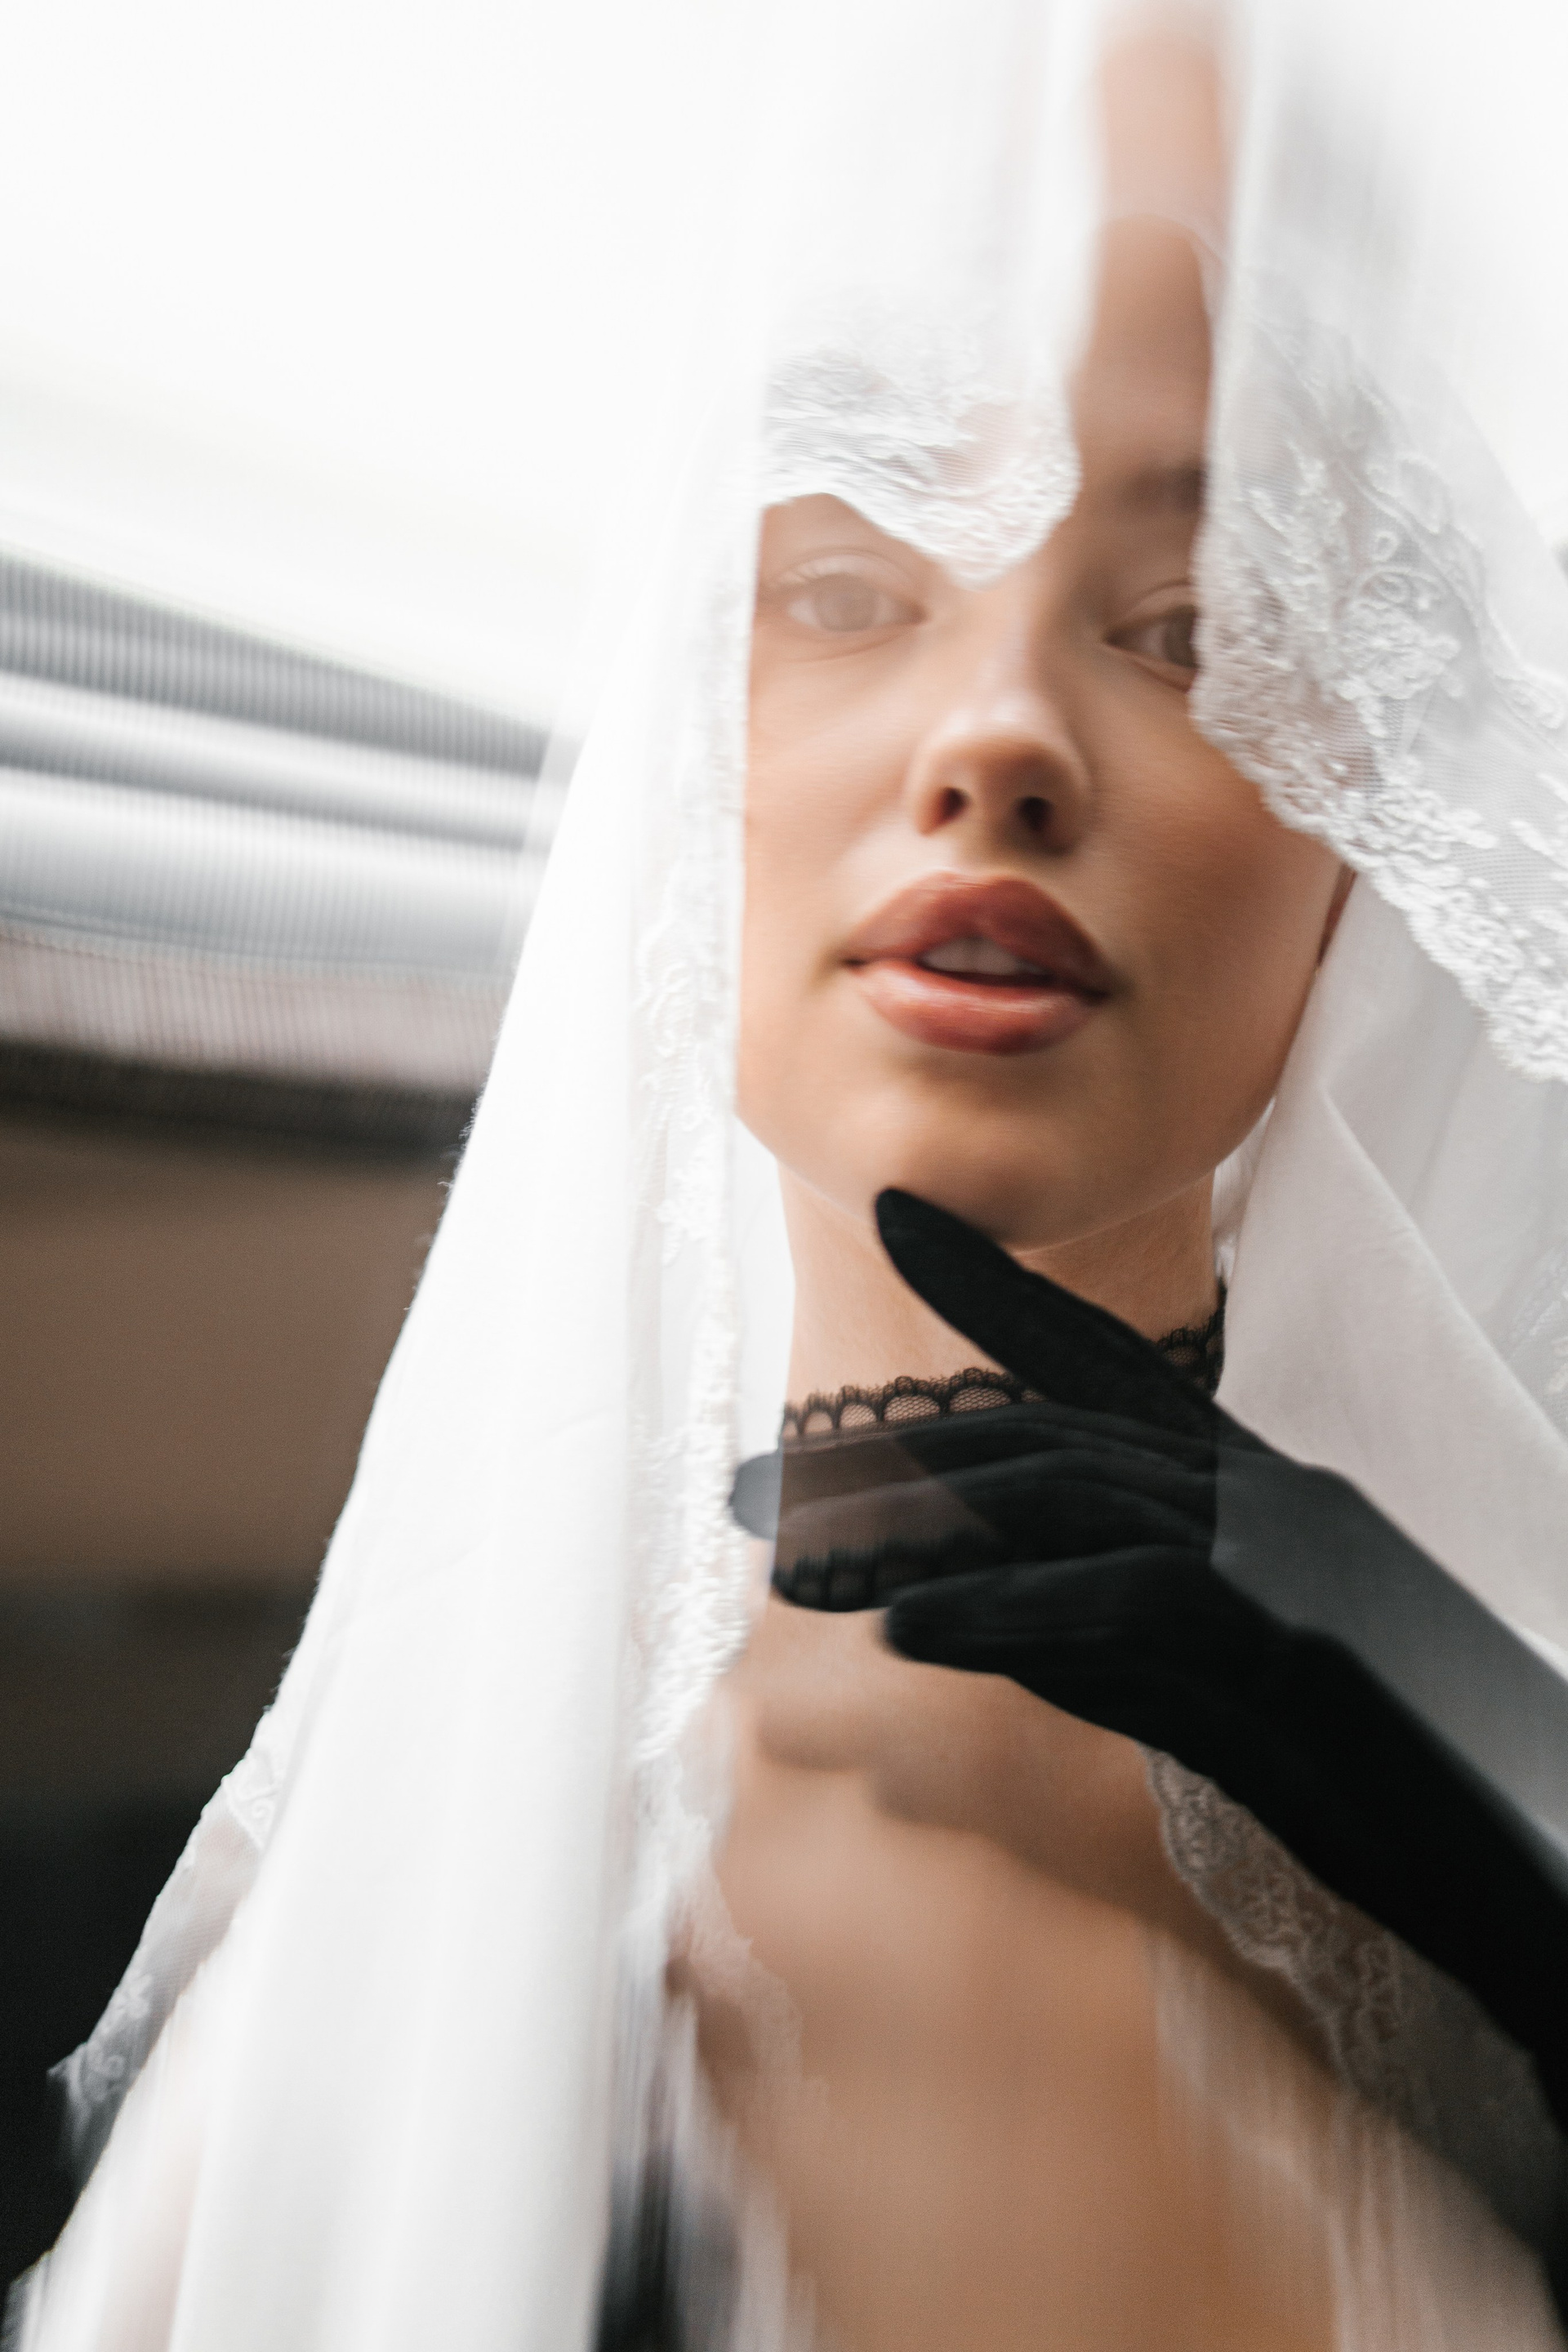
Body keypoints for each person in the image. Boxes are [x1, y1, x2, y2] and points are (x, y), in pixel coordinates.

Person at [16, 3, 1568, 2348]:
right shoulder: (432, 1948)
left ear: (1384, 817)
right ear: (676, 725)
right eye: (848, 583)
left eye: (1201, 625)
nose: (999, 735)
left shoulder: (1487, 1759)